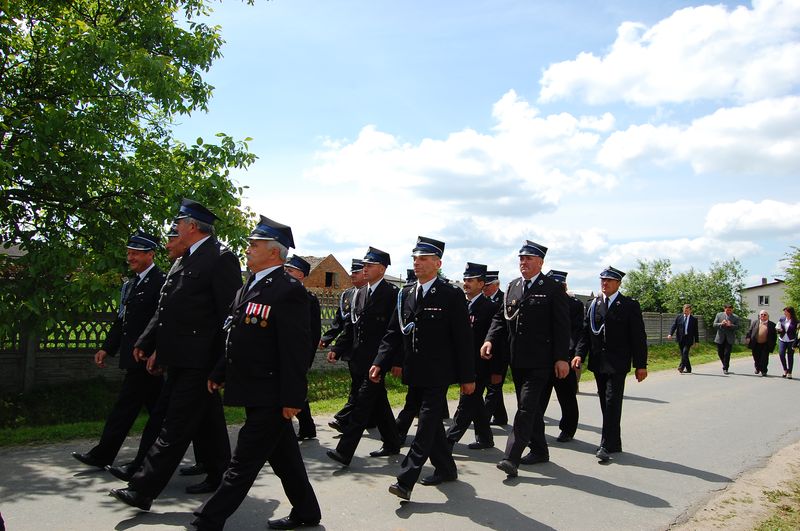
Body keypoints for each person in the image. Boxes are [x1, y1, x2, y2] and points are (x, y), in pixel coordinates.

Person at [192, 216, 321, 531]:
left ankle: (209, 519)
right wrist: (220, 370)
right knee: (285, 458)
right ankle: (307, 512)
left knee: (243, 461)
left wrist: (293, 397)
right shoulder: (251, 283)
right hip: (251, 387)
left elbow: (295, 351)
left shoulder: (288, 290)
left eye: (254, 245)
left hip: (272, 391)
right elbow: (235, 335)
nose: (247, 249)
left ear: (274, 253)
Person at [109, 198, 240, 510]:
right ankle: (220, 472)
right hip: (178, 358)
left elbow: (229, 317)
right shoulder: (184, 260)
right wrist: (147, 342)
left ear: (191, 226)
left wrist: (220, 366)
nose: (174, 229)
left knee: (174, 425)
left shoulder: (221, 259)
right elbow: (165, 310)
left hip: (200, 361)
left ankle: (142, 489)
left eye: (178, 224)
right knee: (204, 419)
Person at [372, 236, 474, 500]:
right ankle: (446, 468)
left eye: (424, 259)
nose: (417, 262)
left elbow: (463, 339)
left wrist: (467, 376)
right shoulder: (406, 293)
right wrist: (380, 362)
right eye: (415, 258)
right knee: (432, 428)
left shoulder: (450, 294)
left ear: (437, 263)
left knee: (426, 425)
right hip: (414, 371)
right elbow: (393, 333)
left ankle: (405, 480)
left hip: (439, 373)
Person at [106, 223, 204, 482]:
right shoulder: (161, 275)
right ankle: (212, 463)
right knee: (174, 413)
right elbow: (134, 319)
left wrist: (158, 349)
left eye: (174, 238)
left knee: (161, 415)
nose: (169, 244)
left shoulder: (163, 278)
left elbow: (178, 318)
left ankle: (141, 474)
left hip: (181, 358)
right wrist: (110, 347)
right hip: (152, 356)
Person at [71, 231, 165, 470]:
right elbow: (122, 320)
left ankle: (105, 455)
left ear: (150, 254)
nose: (130, 257)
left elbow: (162, 322)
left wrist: (154, 351)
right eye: (129, 253)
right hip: (135, 357)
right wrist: (106, 348)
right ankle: (208, 459)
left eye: (135, 253)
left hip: (145, 358)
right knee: (160, 412)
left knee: (125, 408)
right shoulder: (132, 284)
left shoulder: (160, 282)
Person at [481, 241, 570, 477]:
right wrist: (490, 339)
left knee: (526, 408)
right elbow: (501, 318)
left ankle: (511, 457)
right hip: (517, 359)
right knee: (529, 409)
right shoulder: (513, 287)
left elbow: (562, 327)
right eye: (521, 259)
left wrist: (562, 358)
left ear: (540, 262)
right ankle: (540, 450)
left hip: (541, 360)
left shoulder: (552, 288)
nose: (524, 262)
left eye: (529, 259)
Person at [325, 247, 401, 466]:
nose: (364, 269)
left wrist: (394, 361)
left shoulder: (392, 294)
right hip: (359, 359)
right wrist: (338, 348)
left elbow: (395, 332)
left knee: (361, 405)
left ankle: (344, 452)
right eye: (364, 265)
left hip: (378, 360)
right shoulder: (359, 293)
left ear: (382, 269)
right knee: (379, 402)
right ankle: (392, 442)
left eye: (369, 266)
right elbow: (351, 326)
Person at [574, 266, 648, 463]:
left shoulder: (629, 305)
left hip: (618, 363)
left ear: (618, 283)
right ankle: (614, 441)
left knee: (612, 401)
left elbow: (638, 337)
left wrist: (641, 364)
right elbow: (585, 334)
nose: (604, 283)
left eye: (609, 280)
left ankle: (605, 444)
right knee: (604, 402)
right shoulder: (593, 304)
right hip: (598, 362)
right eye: (602, 280)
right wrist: (579, 355)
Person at [446, 263, 500, 450]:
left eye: (470, 280)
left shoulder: (490, 307)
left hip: (481, 366)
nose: (466, 283)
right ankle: (485, 438)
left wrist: (497, 370)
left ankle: (447, 441)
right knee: (475, 402)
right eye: (465, 280)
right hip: (464, 364)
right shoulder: (462, 304)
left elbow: (497, 341)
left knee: (466, 402)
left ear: (481, 284)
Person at [538, 270, 582, 444]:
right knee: (539, 397)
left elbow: (577, 331)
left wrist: (571, 355)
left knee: (567, 396)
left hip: (564, 357)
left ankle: (568, 429)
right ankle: (535, 429)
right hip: (543, 358)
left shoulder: (574, 305)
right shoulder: (542, 301)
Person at [323, 259, 367, 433]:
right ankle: (371, 420)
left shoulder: (372, 294)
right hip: (351, 349)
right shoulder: (347, 295)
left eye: (356, 272)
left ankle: (344, 419)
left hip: (367, 350)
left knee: (360, 387)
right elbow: (340, 323)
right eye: (352, 272)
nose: (352, 276)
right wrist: (327, 339)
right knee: (365, 388)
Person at [284, 255, 322, 440]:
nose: (286, 273)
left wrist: (307, 358)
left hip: (299, 355)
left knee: (295, 390)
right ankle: (307, 427)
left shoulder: (309, 299)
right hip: (284, 353)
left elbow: (313, 333)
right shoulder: (282, 293)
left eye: (290, 271)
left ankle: (307, 426)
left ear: (301, 275)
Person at [482, 270, 508, 426]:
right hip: (486, 349)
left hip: (500, 352)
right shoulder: (482, 300)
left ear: (496, 285)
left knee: (493, 386)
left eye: (487, 286)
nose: (484, 288)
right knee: (491, 385)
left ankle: (482, 420)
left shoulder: (504, 299)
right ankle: (500, 416)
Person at [667, 304, 700, 374]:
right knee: (683, 354)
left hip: (689, 339)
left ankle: (681, 367)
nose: (685, 312)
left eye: (687, 310)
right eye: (684, 310)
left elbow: (696, 331)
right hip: (680, 338)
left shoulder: (694, 319)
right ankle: (689, 369)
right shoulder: (679, 317)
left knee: (685, 352)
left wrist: (696, 341)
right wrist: (670, 334)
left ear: (690, 311)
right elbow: (674, 326)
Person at [745, 310, 777, 377]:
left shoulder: (772, 325)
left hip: (766, 344)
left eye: (765, 315)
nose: (763, 316)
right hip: (755, 343)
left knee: (764, 358)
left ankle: (764, 371)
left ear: (768, 316)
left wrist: (773, 344)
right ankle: (757, 367)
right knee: (756, 357)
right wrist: (748, 337)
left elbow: (774, 336)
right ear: (759, 316)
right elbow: (749, 331)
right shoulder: (755, 323)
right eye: (761, 314)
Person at [713, 304, 740, 375]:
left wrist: (730, 325)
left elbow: (738, 327)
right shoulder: (719, 315)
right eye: (727, 310)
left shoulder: (735, 317)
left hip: (729, 338)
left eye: (730, 310)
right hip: (720, 337)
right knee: (720, 353)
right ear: (724, 309)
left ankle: (725, 368)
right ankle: (724, 363)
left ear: (732, 310)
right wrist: (721, 324)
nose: (728, 311)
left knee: (727, 354)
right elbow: (714, 324)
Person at [777, 306, 797, 378]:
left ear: (790, 312)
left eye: (786, 311)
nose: (784, 313)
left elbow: (798, 333)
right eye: (784, 311)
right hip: (782, 339)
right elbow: (777, 327)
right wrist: (779, 330)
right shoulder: (782, 319)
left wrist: (796, 344)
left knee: (790, 356)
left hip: (791, 340)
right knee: (781, 354)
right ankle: (785, 369)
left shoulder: (795, 321)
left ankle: (789, 372)